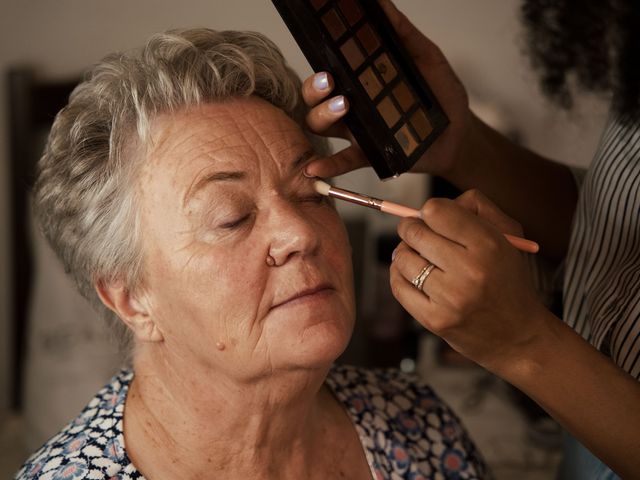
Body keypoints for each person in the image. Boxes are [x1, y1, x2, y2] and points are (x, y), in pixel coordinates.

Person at [15, 28, 489, 479]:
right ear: (130, 297)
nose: (300, 233)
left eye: (312, 192)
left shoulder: (416, 420)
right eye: (231, 218)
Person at [302, 0, 640, 478]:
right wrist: (464, 147)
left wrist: (526, 342)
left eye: (308, 202)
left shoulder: (424, 436)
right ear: (150, 303)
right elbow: (622, 225)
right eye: (232, 217)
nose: (296, 233)